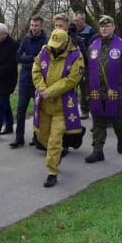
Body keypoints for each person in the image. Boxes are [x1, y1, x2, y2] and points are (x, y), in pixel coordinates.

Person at [32, 29, 84, 187]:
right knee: (42, 136)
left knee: (55, 140)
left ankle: (52, 172)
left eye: (57, 45)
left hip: (62, 106)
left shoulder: (76, 57)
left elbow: (72, 79)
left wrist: (51, 91)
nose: (54, 48)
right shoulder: (44, 51)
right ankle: (56, 154)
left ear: (65, 42)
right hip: (43, 104)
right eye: (52, 45)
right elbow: (36, 70)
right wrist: (41, 88)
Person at [84, 16, 122, 163]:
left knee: (117, 120)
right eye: (101, 27)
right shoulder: (93, 46)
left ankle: (121, 137)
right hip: (97, 91)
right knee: (98, 120)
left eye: (107, 26)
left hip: (115, 92)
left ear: (114, 27)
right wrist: (87, 91)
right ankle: (98, 150)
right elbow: (88, 71)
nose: (104, 29)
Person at [11, 16, 47, 149]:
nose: (33, 28)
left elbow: (43, 59)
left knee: (38, 110)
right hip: (25, 80)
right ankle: (18, 138)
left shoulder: (46, 40)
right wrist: (32, 58)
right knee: (21, 110)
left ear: (41, 26)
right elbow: (18, 56)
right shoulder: (26, 39)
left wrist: (28, 58)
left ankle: (37, 137)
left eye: (36, 25)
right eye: (32, 25)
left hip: (38, 81)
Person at [71, 11, 96, 120]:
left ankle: (85, 110)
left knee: (85, 87)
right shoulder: (71, 31)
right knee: (72, 88)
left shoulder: (90, 31)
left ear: (83, 20)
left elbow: (92, 48)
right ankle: (72, 110)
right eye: (74, 20)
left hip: (85, 63)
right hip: (72, 64)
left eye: (77, 20)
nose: (75, 22)